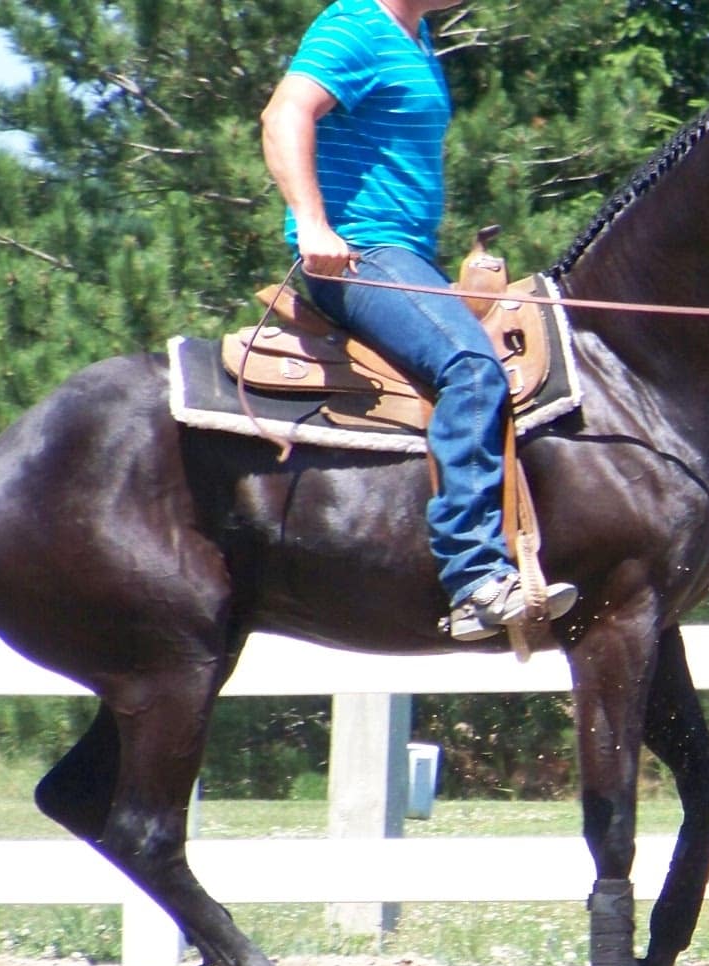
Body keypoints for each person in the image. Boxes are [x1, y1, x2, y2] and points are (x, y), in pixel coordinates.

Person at [260, 0, 573, 642]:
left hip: (405, 256)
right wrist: (314, 224)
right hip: (360, 254)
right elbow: (284, 112)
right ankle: (475, 578)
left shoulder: (417, 34)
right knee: (473, 368)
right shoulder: (355, 24)